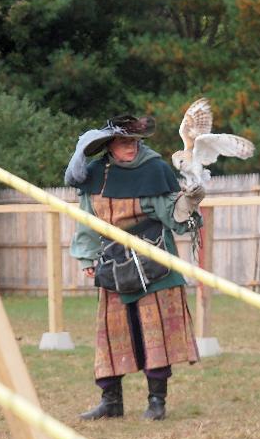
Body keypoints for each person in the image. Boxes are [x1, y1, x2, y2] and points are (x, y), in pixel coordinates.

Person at [64, 114, 205, 421]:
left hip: (154, 261)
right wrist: (87, 256)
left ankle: (157, 402)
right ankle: (111, 401)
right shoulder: (95, 173)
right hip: (114, 263)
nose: (131, 147)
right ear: (109, 145)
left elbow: (174, 216)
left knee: (155, 334)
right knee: (112, 333)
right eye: (123, 141)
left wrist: (189, 203)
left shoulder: (154, 169)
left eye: (134, 142)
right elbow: (88, 218)